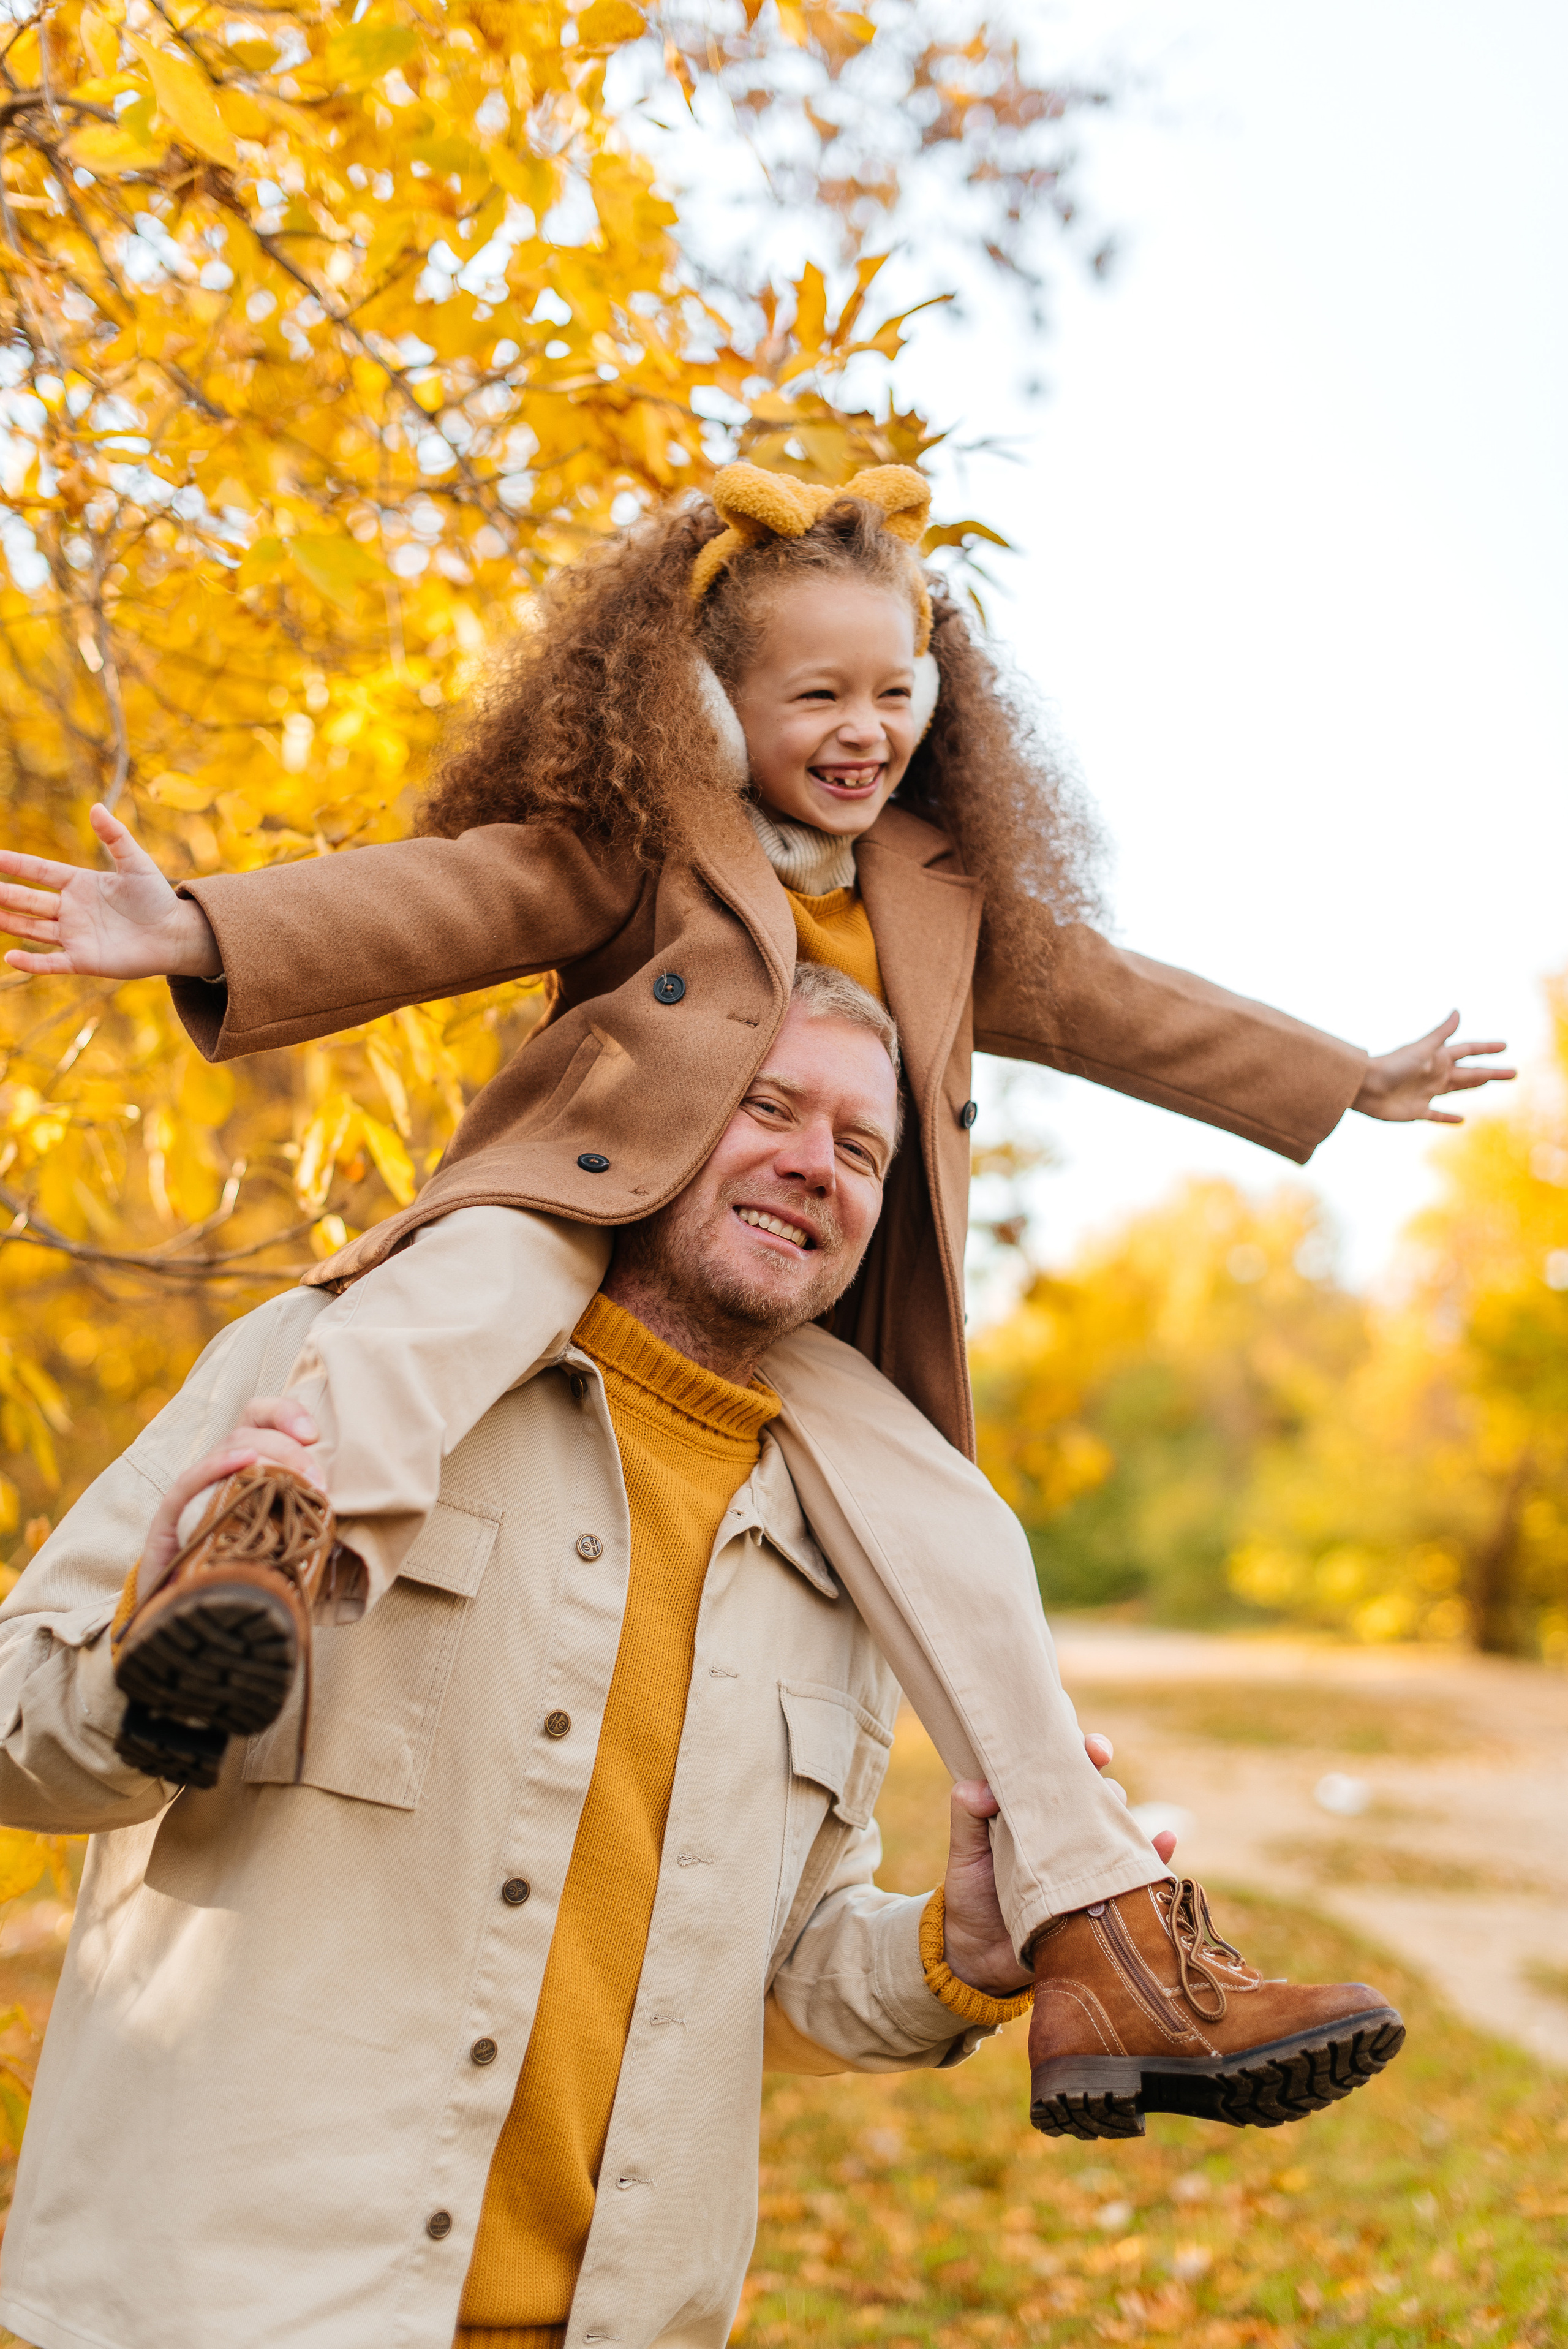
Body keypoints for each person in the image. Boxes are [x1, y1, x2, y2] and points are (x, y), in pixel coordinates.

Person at [0, 463, 1507, 1933]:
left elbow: (1116, 1001)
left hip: (772, 1278)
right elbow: (445, 893)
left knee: (952, 1518)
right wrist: (197, 930)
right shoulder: (656, 840)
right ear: (716, 708)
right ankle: (268, 1566)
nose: (865, 731)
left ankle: (1089, 1906)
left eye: (895, 691)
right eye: (817, 697)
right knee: (433, 1318)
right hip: (571, 1199)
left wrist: (1339, 1076)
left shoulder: (933, 895)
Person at [0, 971, 1401, 2349]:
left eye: (859, 1150)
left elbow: (763, 1985)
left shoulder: (854, 1553)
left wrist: (950, 1952)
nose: (814, 1167)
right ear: (656, 1115)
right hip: (226, 2309)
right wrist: (144, 1659)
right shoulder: (342, 1362)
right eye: (767, 1106)